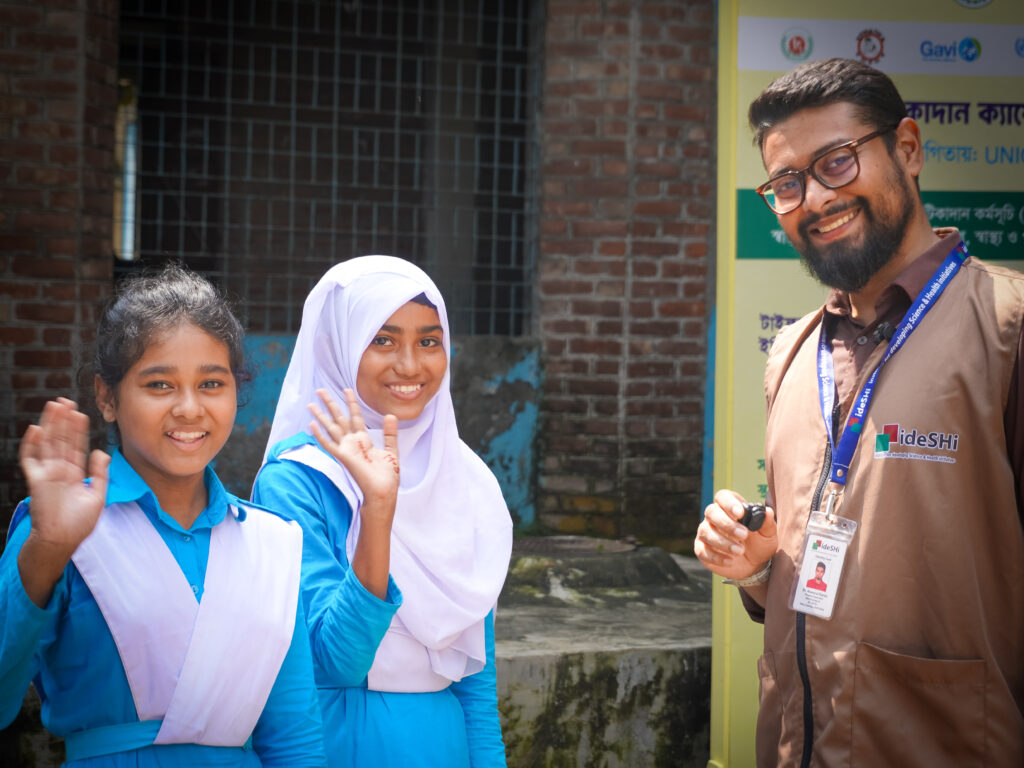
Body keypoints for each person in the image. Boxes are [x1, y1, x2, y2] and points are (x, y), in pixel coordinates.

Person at [694, 58, 1024, 767]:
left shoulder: (1008, 327)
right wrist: (758, 570)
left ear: (907, 149)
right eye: (787, 184)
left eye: (836, 162)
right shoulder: (791, 351)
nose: (813, 198)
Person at [0, 265, 327, 766]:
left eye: (212, 383)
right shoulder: (58, 526)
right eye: (159, 385)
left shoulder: (272, 543)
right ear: (107, 397)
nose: (190, 409)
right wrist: (47, 550)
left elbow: (294, 738)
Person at [252, 255, 513, 768]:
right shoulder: (297, 481)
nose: (411, 365)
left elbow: (477, 689)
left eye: (429, 341)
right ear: (341, 346)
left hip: (445, 745)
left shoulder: (465, 480)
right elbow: (336, 661)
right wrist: (377, 511)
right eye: (384, 339)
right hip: (341, 744)